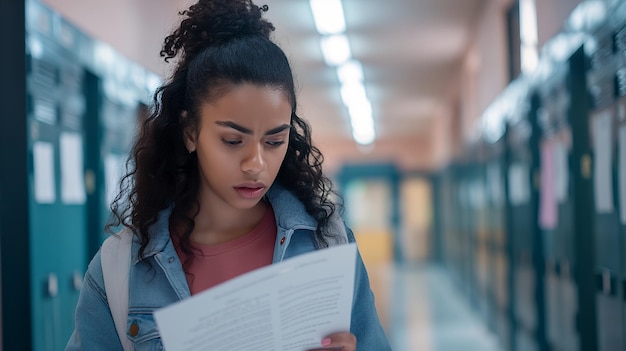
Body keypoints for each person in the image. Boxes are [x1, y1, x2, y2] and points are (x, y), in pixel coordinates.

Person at [66, 0, 391, 350]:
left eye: (274, 141)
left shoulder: (328, 245)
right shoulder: (119, 271)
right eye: (233, 140)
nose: (255, 163)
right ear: (190, 132)